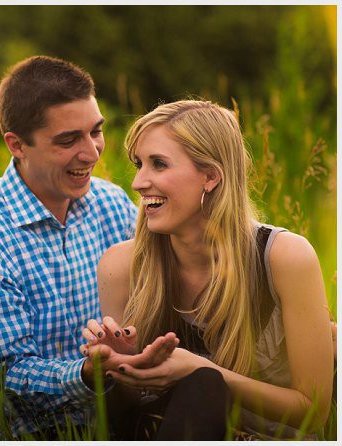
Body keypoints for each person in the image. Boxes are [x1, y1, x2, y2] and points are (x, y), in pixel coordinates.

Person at [0, 55, 175, 439]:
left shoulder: (112, 204)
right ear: (17, 145)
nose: (93, 152)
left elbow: (157, 296)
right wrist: (91, 371)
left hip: (122, 415)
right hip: (22, 431)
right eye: (68, 140)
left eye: (96, 131)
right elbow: (11, 376)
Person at [82, 100, 334, 439]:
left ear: (211, 177)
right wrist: (124, 366)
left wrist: (203, 370)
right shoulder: (122, 265)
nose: (139, 182)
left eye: (159, 164)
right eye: (139, 164)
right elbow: (123, 416)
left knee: (204, 384)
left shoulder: (285, 258)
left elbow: (314, 410)